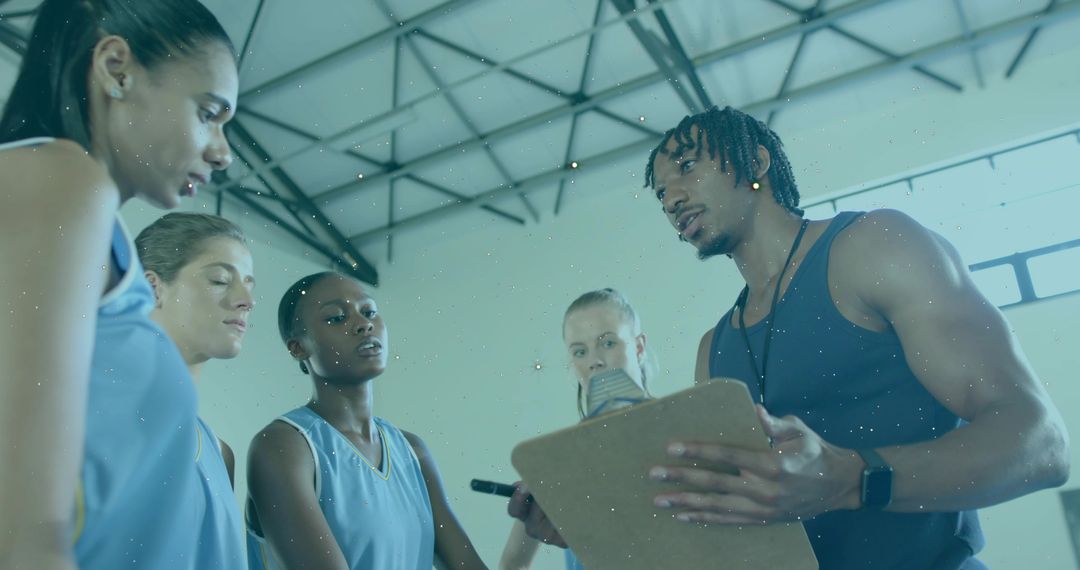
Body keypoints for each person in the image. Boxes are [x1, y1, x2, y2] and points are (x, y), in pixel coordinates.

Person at [510, 105, 1071, 569]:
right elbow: (725, 529)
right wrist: (603, 525)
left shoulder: (873, 247)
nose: (671, 198)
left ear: (755, 162)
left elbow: (1041, 444)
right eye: (660, 193)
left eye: (686, 167)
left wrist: (850, 478)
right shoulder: (715, 350)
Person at [0, 0, 236, 568]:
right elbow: (26, 531)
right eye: (208, 113)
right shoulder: (63, 181)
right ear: (116, 68)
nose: (223, 152)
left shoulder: (73, 206)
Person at [245, 272, 488, 570]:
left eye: (369, 312)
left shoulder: (412, 450)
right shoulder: (283, 447)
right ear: (298, 348)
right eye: (336, 318)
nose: (364, 324)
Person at [500, 288, 652, 570]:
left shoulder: (683, 430)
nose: (594, 360)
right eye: (580, 351)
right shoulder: (559, 458)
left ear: (639, 347)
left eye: (608, 343)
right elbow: (512, 565)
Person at [136, 212, 255, 569]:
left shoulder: (220, 453)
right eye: (220, 280)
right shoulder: (91, 419)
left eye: (249, 285)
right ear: (153, 288)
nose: (246, 300)